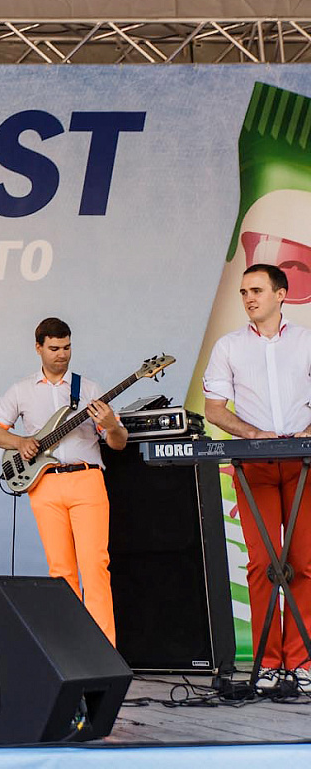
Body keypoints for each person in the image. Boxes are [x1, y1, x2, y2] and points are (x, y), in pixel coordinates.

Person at [0, 317, 127, 645]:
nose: (62, 354)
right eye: (54, 348)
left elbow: (118, 443)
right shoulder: (22, 390)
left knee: (95, 566)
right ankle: (70, 649)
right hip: (45, 483)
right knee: (61, 571)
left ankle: (104, 649)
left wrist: (111, 425)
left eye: (67, 347)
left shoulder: (88, 389)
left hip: (86, 479)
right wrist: (19, 442)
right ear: (39, 348)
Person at [202, 263, 311, 692]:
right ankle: (267, 663)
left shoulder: (306, 340)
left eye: (257, 290)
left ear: (281, 294)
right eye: (244, 292)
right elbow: (214, 409)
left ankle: (300, 664)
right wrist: (253, 434)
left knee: (303, 563)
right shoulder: (228, 346)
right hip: (255, 466)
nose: (249, 298)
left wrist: (307, 431)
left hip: (304, 463)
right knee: (264, 563)